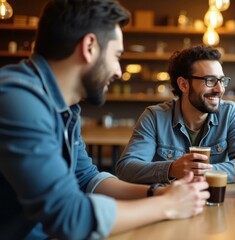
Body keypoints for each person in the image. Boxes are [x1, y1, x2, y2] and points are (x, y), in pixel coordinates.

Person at [0, 1, 209, 239]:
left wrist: (157, 193)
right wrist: (168, 205)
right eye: (116, 55)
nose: (119, 71)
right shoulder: (17, 98)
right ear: (89, 47)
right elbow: (68, 217)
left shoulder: (65, 107)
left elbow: (87, 178)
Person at [116, 45, 235, 184]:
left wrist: (205, 171)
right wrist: (171, 169)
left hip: (217, 201)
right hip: (169, 202)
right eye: (210, 80)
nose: (220, 89)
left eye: (222, 80)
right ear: (183, 84)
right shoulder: (155, 117)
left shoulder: (229, 112)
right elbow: (126, 169)